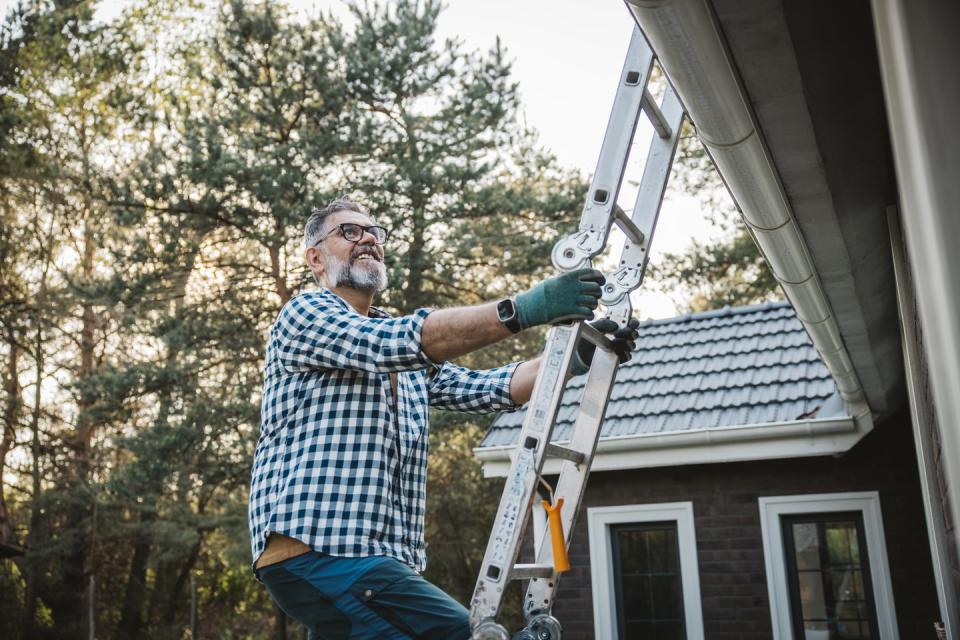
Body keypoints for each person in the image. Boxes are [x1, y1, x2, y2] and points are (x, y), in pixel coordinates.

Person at [248, 198, 639, 640]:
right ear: (315, 258)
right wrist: (524, 309)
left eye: (374, 232)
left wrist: (570, 358)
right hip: (322, 553)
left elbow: (486, 388)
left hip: (371, 559)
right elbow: (395, 341)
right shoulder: (305, 316)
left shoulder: (399, 352)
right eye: (350, 232)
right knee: (460, 633)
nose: (369, 239)